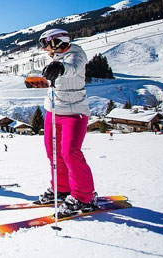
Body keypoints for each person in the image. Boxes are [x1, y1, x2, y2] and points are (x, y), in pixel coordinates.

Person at [36, 28, 97, 216]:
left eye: (46, 44)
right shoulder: (55, 58)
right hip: (53, 111)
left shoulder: (76, 54)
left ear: (56, 42)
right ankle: (62, 188)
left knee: (70, 152)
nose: (45, 49)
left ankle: (84, 196)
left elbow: (73, 68)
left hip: (74, 112)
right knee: (53, 152)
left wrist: (60, 68)